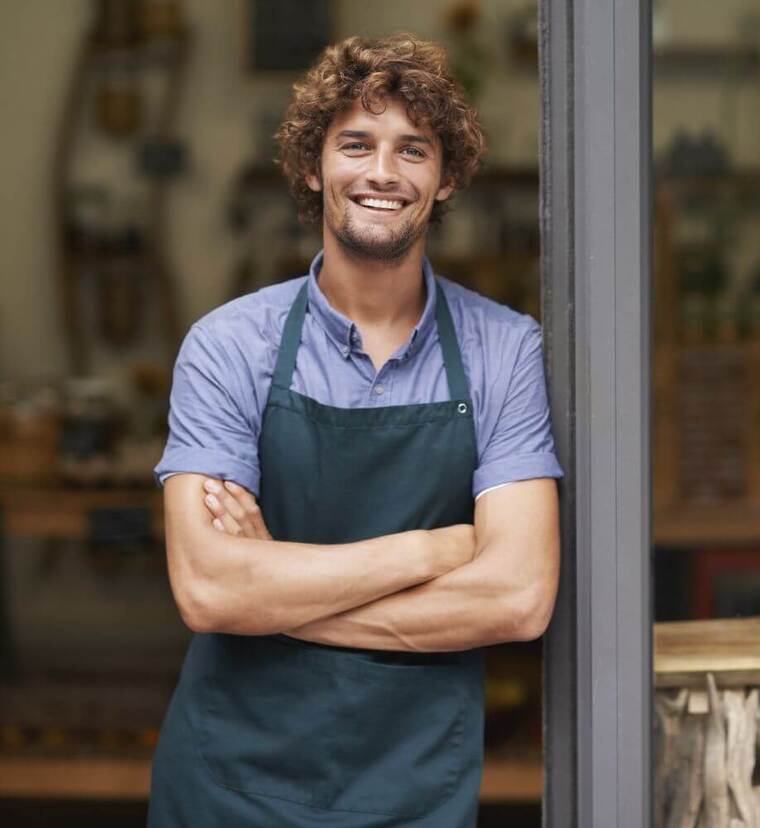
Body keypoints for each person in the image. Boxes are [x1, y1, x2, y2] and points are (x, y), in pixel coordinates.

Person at [147, 32, 563, 828]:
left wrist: (272, 593)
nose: (383, 172)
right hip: (231, 781)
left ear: (444, 181)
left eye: (414, 149)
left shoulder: (504, 349)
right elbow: (205, 589)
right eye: (356, 144)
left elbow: (516, 597)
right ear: (313, 166)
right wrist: (430, 550)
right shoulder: (230, 345)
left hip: (414, 783)